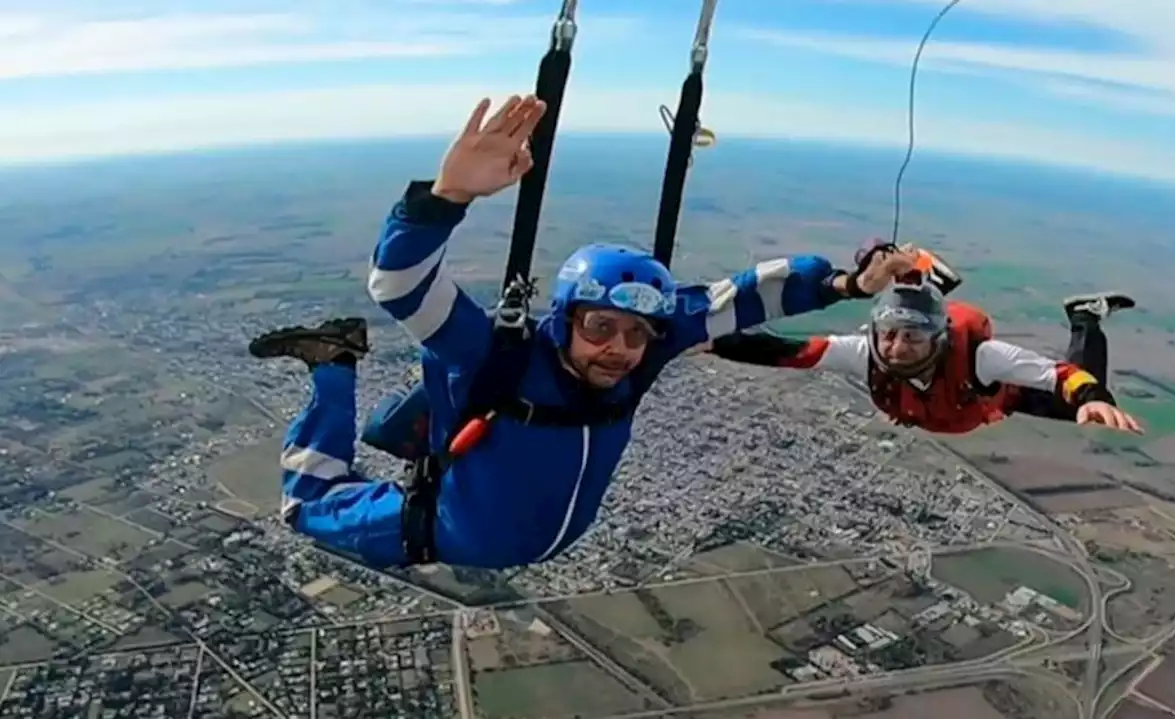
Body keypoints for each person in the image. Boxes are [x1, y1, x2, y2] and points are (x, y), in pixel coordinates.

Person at [248, 94, 916, 571]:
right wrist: (445, 197)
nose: (619, 349)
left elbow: (740, 297)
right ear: (563, 319)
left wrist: (845, 286)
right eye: (600, 327)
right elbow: (399, 285)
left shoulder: (643, 356)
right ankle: (333, 363)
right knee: (306, 506)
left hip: (509, 538)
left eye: (636, 333)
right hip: (443, 532)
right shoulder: (496, 352)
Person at [709, 246, 1144, 435]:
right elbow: (788, 352)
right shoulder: (866, 352)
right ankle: (923, 276)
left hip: (998, 397)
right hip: (963, 406)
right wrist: (711, 341)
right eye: (890, 335)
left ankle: (1085, 318)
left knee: (1081, 412)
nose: (896, 348)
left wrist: (1092, 395)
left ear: (938, 339)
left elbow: (1058, 374)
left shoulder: (983, 358)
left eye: (913, 338)